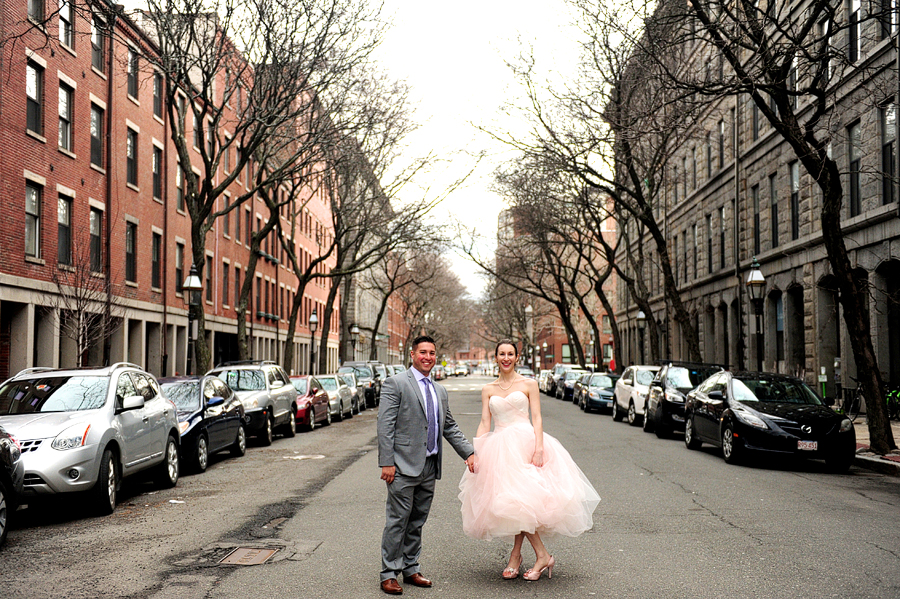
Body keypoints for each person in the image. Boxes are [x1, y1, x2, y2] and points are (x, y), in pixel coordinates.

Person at [458, 340, 600, 581]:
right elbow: (485, 422)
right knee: (517, 502)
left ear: (517, 357)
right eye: (501, 354)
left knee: (522, 501)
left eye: (510, 354)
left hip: (526, 444)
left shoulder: (529, 384)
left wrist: (539, 447)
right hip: (500, 449)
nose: (506, 358)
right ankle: (535, 555)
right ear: (495, 357)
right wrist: (476, 451)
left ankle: (524, 556)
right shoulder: (488, 389)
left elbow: (537, 418)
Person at [377, 335, 476, 595]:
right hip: (402, 466)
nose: (428, 357)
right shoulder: (396, 383)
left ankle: (410, 568)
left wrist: (469, 453)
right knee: (398, 520)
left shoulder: (439, 390)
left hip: (429, 466)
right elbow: (385, 425)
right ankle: (389, 573)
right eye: (423, 352)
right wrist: (387, 462)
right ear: (412, 354)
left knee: (417, 521)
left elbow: (449, 426)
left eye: (432, 353)